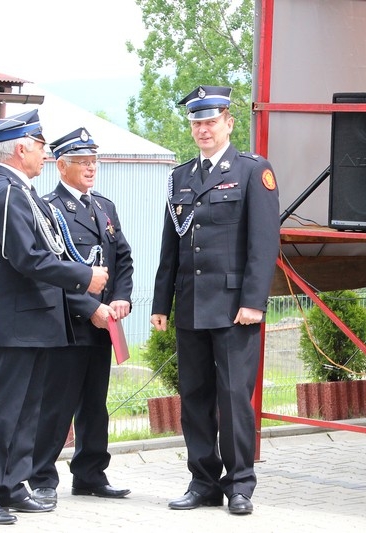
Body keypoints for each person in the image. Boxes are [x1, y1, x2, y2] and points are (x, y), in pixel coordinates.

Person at [0, 110, 109, 525]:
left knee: (27, 411)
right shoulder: (5, 192)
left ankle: (10, 485)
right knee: (0, 411)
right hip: (16, 321)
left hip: (34, 321)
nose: (45, 154)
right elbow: (27, 257)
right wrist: (84, 277)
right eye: (41, 146)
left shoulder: (20, 190)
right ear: (22, 148)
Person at [150, 85, 280, 516]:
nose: (203, 130)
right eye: (197, 123)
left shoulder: (252, 171)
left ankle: (240, 484)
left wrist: (254, 301)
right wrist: (161, 303)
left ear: (228, 122)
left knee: (233, 398)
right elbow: (171, 244)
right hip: (190, 305)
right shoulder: (180, 177)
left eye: (210, 121)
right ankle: (203, 481)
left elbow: (264, 243)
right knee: (195, 398)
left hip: (233, 309)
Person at [28, 127, 133, 504]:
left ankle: (90, 474)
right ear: (61, 166)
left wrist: (120, 299)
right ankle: (41, 477)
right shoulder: (48, 209)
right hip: (67, 326)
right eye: (82, 162)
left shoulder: (104, 206)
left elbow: (122, 259)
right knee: (56, 406)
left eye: (94, 161)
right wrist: (91, 308)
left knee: (94, 405)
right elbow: (50, 272)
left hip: (104, 325)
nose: (91, 168)